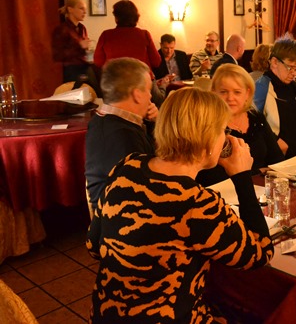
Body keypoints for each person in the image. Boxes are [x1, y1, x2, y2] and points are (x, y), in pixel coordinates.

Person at [87, 87, 273, 323]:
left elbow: (93, 245)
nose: (225, 138)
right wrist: (242, 176)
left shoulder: (127, 167)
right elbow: (260, 253)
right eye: (222, 131)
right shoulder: (197, 203)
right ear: (208, 140)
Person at [85, 58, 157, 211]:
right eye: (148, 90)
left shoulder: (102, 120)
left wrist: (153, 123)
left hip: (120, 211)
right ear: (137, 94)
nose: (150, 97)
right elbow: (145, 190)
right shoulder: (122, 136)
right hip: (122, 218)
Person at [196, 63, 284, 185]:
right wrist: (258, 171)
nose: (230, 98)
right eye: (223, 92)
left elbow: (277, 158)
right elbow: (210, 175)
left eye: (237, 92)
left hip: (262, 189)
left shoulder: (256, 118)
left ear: (247, 94)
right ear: (213, 93)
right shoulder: (207, 124)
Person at [93, 0, 161, 71]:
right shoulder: (144, 35)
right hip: (140, 76)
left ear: (116, 18)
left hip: (115, 76)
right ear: (136, 17)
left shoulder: (106, 35)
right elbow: (156, 62)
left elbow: (98, 62)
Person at [51, 0, 93, 83]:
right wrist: (79, 46)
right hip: (71, 69)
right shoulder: (62, 29)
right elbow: (58, 55)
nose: (85, 12)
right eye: (81, 8)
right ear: (70, 9)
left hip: (85, 66)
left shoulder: (82, 28)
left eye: (85, 9)